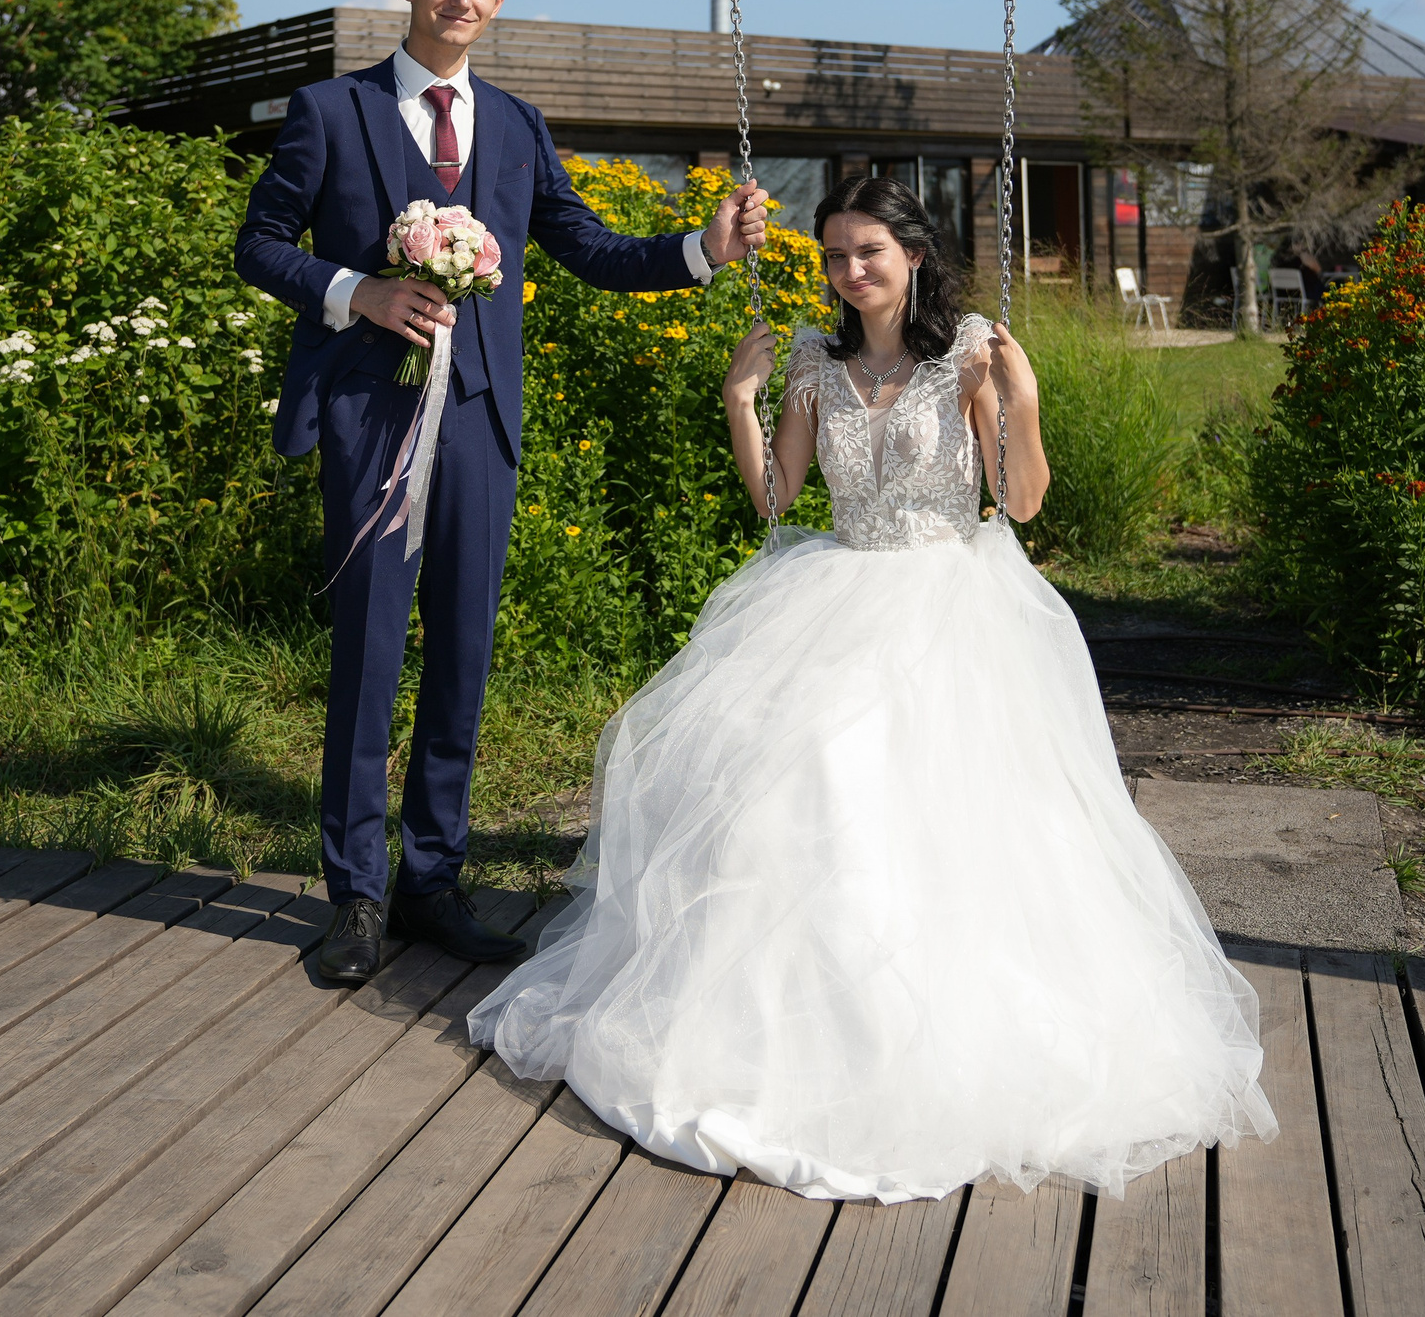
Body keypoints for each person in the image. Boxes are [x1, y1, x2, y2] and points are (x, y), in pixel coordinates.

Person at [469, 175, 1276, 1202]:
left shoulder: (970, 352)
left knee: (954, 816)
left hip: (949, 602)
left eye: (869, 253)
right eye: (834, 256)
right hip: (835, 592)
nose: (850, 273)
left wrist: (1021, 401)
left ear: (914, 255)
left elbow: (1018, 501)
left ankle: (943, 1032)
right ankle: (798, 1022)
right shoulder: (815, 359)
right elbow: (777, 498)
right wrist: (739, 400)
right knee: (807, 785)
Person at [235, 0, 769, 986]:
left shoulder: (518, 126)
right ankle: (356, 895)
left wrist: (699, 249)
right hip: (370, 416)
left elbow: (584, 246)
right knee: (370, 655)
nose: (459, 1)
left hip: (479, 419)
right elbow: (256, 244)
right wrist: (356, 291)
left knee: (463, 658)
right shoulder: (329, 112)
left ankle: (433, 880)